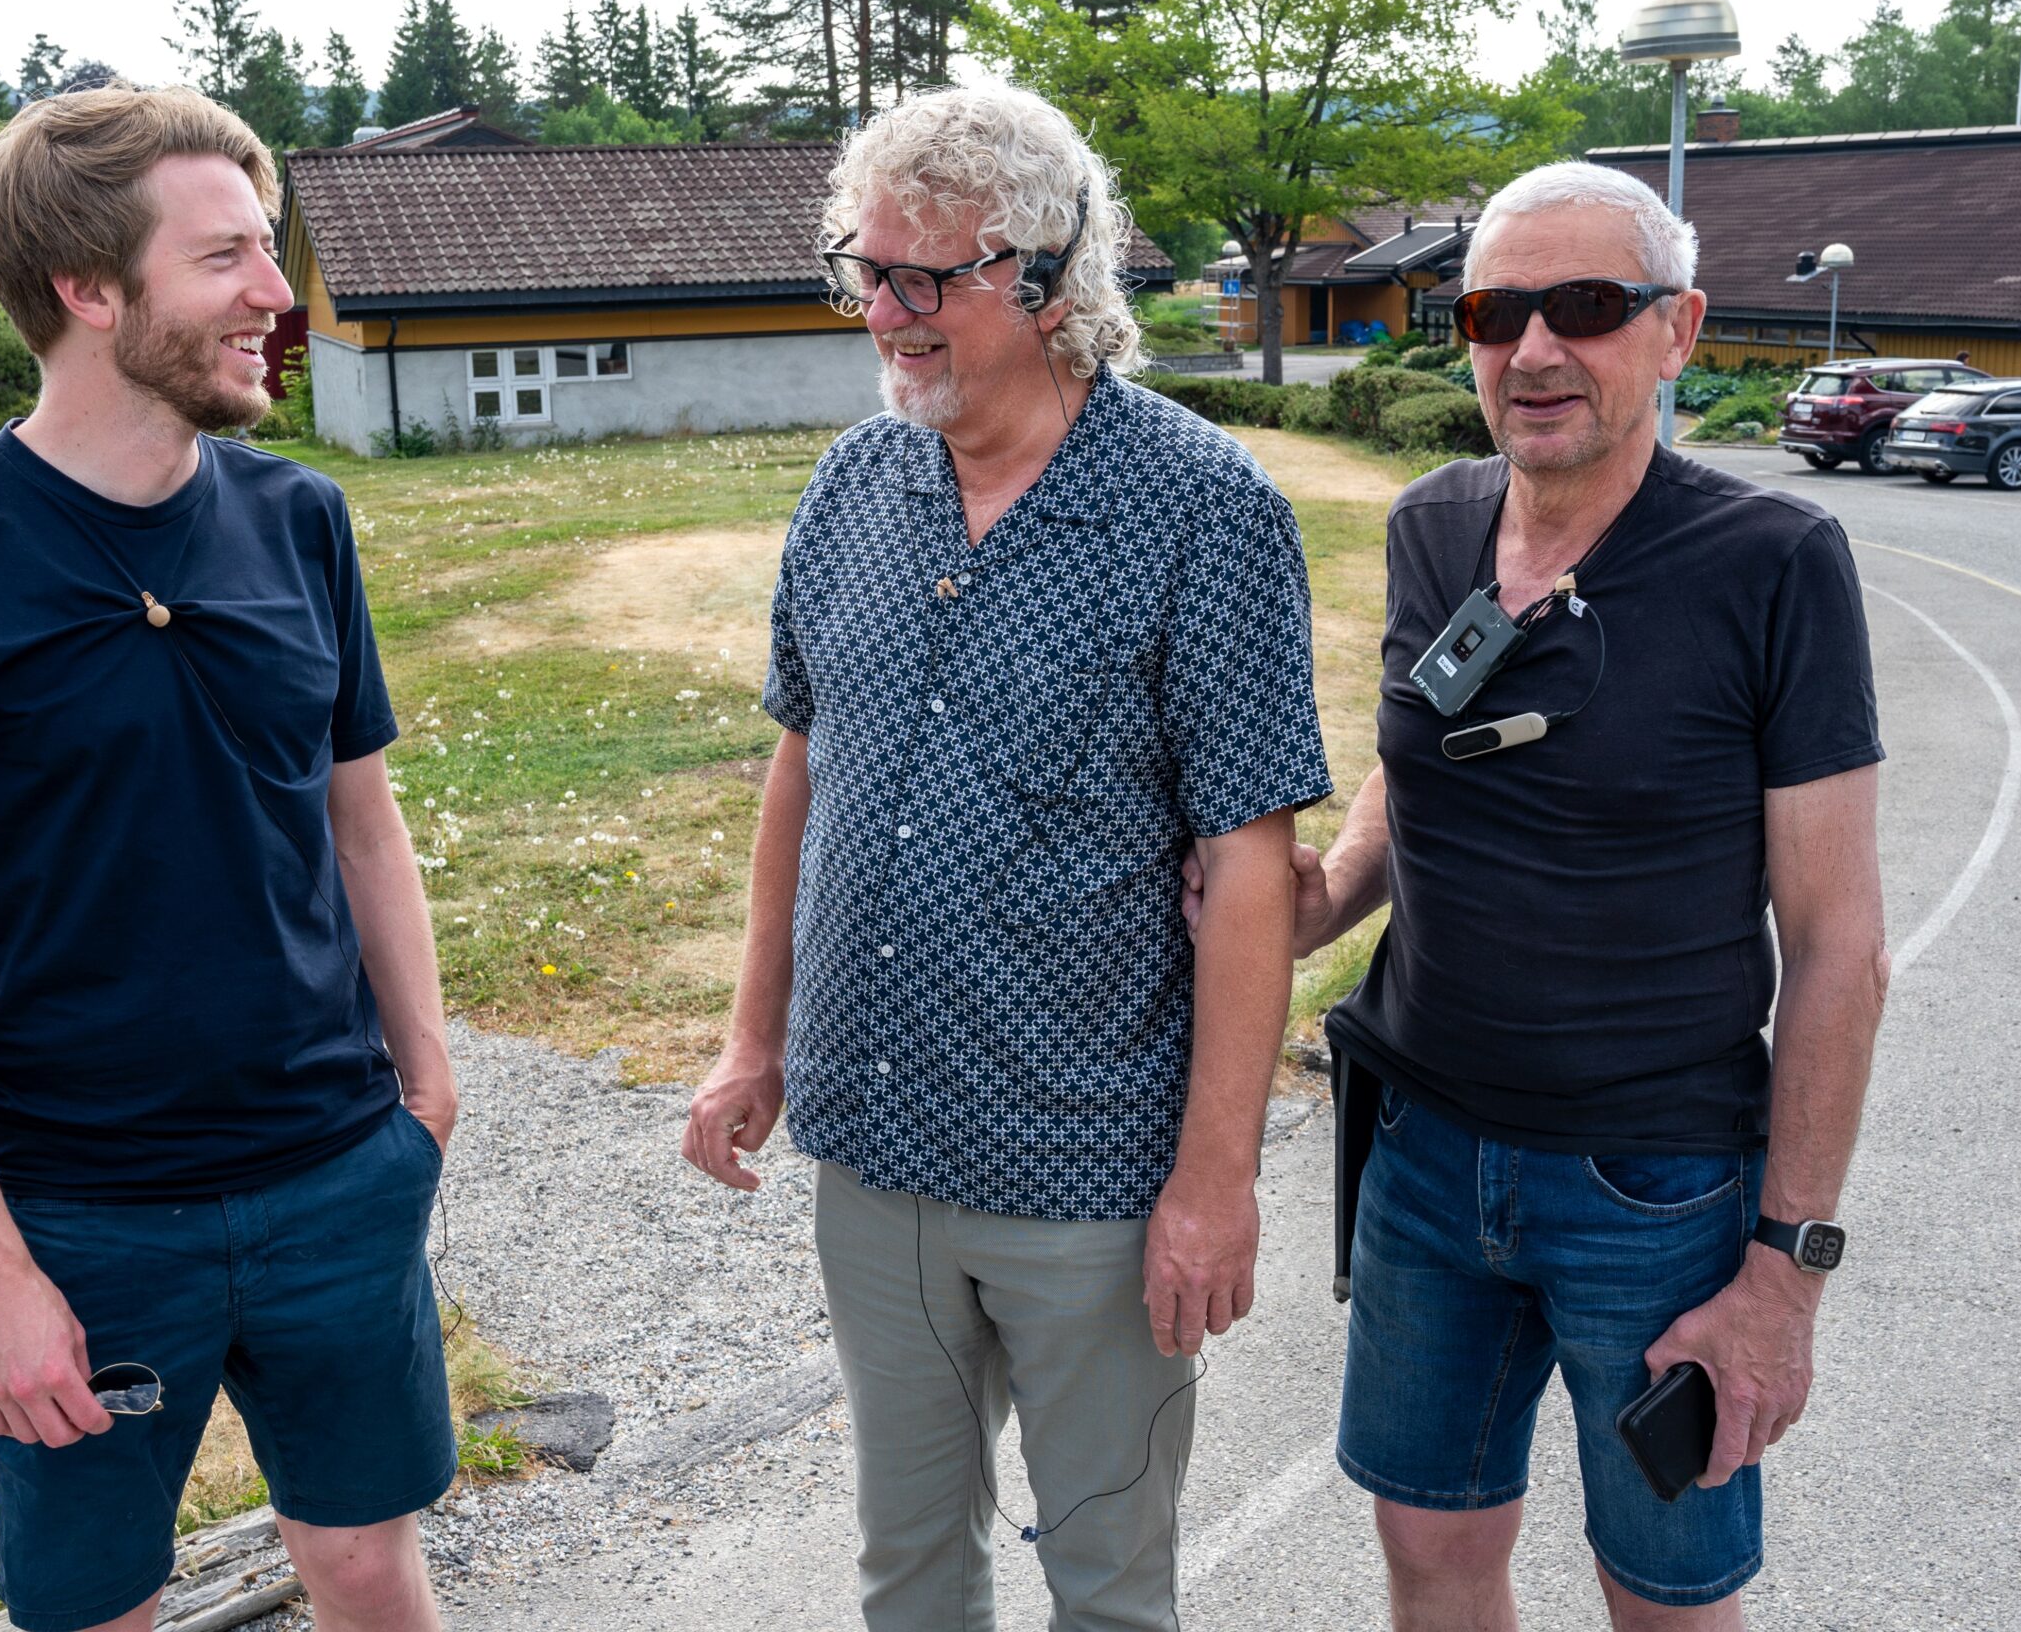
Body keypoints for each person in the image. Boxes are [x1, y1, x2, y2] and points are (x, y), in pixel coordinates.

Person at [1190, 161, 1888, 1629]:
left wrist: (1788, 1272)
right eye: (1496, 312)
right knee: (1431, 1547)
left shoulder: (1775, 566)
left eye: (1585, 306)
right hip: (1427, 1160)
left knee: (1664, 1589)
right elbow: (1417, 759)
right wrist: (1322, 901)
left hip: (1657, 1184)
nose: (1535, 350)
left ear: (1679, 328)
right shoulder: (1433, 525)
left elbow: (1839, 951)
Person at [680, 84, 1330, 1632]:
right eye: (864, 271)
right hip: (874, 1149)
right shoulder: (855, 486)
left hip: (1090, 1177)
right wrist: (751, 1036)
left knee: (1108, 1583)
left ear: (1047, 281)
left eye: (927, 278)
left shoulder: (1205, 513)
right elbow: (804, 760)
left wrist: (1214, 1180)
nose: (885, 316)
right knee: (907, 1568)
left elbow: (1249, 861)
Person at [0, 84, 457, 1632]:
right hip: (80, 1222)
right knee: (100, 1609)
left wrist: (422, 1099)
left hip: (333, 1175)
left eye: (268, 251)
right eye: (226, 257)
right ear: (87, 292)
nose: (277, 297)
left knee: (368, 1558)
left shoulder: (303, 519)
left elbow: (359, 821)